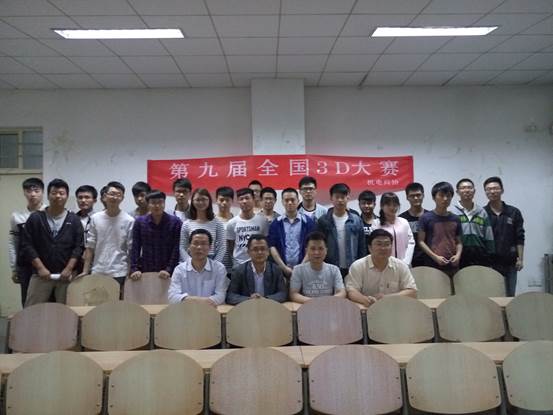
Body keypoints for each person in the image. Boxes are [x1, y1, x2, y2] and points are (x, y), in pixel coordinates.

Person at [20, 179, 83, 306]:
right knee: (32, 310)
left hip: (66, 276)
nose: (58, 196)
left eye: (61, 193)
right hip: (40, 275)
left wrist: (69, 269)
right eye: (54, 193)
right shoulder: (36, 218)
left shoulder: (74, 219)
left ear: (67, 196)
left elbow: (79, 246)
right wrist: (40, 268)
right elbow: (27, 245)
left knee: (67, 312)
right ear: (48, 196)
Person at [81, 181, 134, 289]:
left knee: (117, 300)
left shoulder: (129, 220)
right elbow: (90, 246)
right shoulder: (95, 218)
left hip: (119, 272)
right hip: (98, 270)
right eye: (112, 194)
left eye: (118, 195)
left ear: (122, 198)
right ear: (105, 196)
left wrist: (129, 272)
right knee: (96, 299)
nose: (114, 197)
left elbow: (131, 249)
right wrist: (85, 271)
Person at [346, 229, 417, 307]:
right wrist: (366, 300)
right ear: (370, 248)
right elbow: (351, 291)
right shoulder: (358, 266)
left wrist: (386, 298)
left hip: (394, 308)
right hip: (367, 308)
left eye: (387, 244)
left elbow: (412, 292)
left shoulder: (401, 266)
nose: (383, 248)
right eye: (379, 244)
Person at [483, 177, 525, 296]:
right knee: (493, 295)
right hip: (490, 263)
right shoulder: (482, 213)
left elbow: (520, 237)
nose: (492, 191)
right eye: (489, 189)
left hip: (510, 261)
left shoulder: (514, 212)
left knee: (510, 295)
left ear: (502, 190)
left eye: (495, 188)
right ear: (485, 192)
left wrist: (520, 259)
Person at [129, 190, 182, 281]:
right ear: (148, 204)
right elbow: (135, 247)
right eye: (153, 203)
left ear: (164, 203)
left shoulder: (175, 222)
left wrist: (169, 269)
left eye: (160, 202)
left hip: (169, 272)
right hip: (146, 269)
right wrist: (134, 269)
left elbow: (177, 248)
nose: (157, 206)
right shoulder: (140, 222)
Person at [9, 177, 45, 306]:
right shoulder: (17, 216)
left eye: (36, 190)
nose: (32, 194)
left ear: (42, 192)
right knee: (27, 300)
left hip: (47, 264)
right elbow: (13, 242)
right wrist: (14, 267)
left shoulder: (50, 213)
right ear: (24, 193)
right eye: (29, 191)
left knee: (48, 301)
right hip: (25, 265)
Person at [317, 183, 366, 276]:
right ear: (331, 198)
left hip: (353, 267)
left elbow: (362, 245)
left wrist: (361, 265)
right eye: (337, 197)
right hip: (330, 267)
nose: (340, 200)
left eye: (343, 197)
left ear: (348, 198)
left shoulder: (356, 220)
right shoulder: (323, 221)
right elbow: (319, 245)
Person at [168, 229, 228, 305]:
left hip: (211, 310)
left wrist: (190, 300)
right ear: (189, 246)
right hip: (186, 310)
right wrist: (199, 301)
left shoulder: (219, 268)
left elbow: (221, 295)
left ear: (210, 247)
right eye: (195, 243)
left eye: (203, 244)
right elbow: (172, 296)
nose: (199, 247)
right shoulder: (179, 269)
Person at [418, 182, 463, 276]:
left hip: (453, 264)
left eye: (448, 196)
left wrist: (458, 255)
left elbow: (459, 242)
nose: (445, 199)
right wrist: (435, 257)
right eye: (441, 195)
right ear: (434, 197)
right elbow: (421, 241)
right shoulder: (425, 218)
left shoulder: (456, 218)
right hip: (433, 264)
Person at [226, 235, 287, 304]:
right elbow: (230, 296)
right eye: (255, 249)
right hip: (247, 308)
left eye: (263, 249)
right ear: (248, 252)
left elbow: (283, 294)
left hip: (269, 307)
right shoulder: (239, 270)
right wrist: (249, 299)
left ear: (268, 252)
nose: (259, 252)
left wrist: (265, 299)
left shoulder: (276, 270)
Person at [268, 188, 315, 278]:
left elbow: (312, 246)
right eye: (286, 200)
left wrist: (300, 267)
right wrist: (284, 268)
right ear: (282, 202)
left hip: (304, 270)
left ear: (298, 201)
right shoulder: (276, 223)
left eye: (292, 200)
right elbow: (272, 247)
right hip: (281, 271)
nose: (290, 203)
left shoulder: (308, 222)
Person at [289, 231, 346, 303]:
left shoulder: (334, 270)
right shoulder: (298, 270)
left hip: (329, 306)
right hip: (307, 306)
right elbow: (293, 294)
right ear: (306, 251)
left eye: (320, 248)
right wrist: (315, 302)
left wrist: (325, 302)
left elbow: (342, 293)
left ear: (326, 251)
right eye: (313, 249)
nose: (317, 252)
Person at [452, 178, 495, 268]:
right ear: (457, 192)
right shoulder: (452, 212)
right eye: (463, 188)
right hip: (458, 256)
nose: (467, 190)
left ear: (474, 191)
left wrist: (491, 256)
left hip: (480, 256)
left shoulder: (482, 212)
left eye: (469, 188)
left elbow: (488, 235)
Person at [179, 188, 226, 263]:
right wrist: (190, 264)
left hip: (211, 260)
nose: (200, 202)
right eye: (197, 200)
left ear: (209, 201)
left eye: (204, 199)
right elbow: (182, 247)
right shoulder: (187, 223)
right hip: (192, 260)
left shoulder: (217, 223)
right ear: (192, 202)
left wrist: (214, 265)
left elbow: (222, 247)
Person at [226, 188, 269, 267]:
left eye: (247, 198)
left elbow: (266, 242)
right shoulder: (231, 223)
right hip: (239, 263)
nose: (244, 201)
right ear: (238, 201)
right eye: (241, 199)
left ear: (253, 200)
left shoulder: (263, 221)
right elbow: (231, 245)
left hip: (259, 263)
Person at [376, 192, 415, 266]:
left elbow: (411, 242)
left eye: (395, 205)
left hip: (405, 264)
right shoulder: (376, 224)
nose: (392, 207)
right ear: (382, 206)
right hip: (384, 265)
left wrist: (406, 262)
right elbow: (376, 246)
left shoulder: (404, 222)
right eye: (388, 205)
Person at [399, 182, 429, 268]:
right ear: (407, 197)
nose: (415, 198)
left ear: (423, 195)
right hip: (408, 261)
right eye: (412, 196)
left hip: (429, 260)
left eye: (418, 195)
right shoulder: (401, 219)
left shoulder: (430, 216)